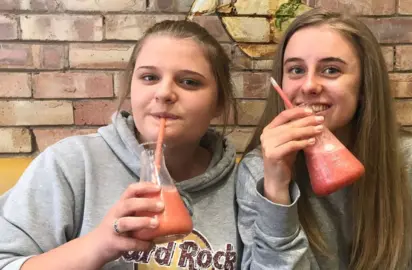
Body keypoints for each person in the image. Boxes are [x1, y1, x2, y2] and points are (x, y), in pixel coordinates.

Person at [0, 20, 239, 270]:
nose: (164, 92)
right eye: (150, 77)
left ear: (219, 103)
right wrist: (99, 245)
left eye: (189, 82)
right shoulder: (70, 164)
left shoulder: (241, 185)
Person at [235, 9, 412, 270]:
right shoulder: (258, 171)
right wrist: (276, 192)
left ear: (364, 86)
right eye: (296, 70)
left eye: (330, 70)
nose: (308, 86)